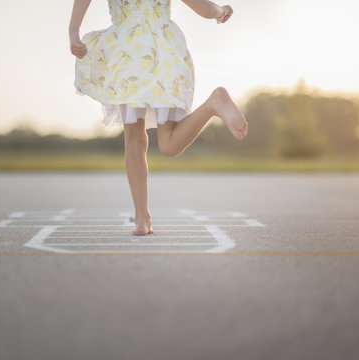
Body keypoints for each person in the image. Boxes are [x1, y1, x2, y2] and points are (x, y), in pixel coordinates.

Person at [69, 0, 248, 235]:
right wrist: (222, 12)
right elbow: (203, 8)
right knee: (169, 145)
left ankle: (142, 219)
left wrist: (73, 31)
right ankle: (212, 105)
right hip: (165, 49)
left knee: (133, 138)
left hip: (127, 51)